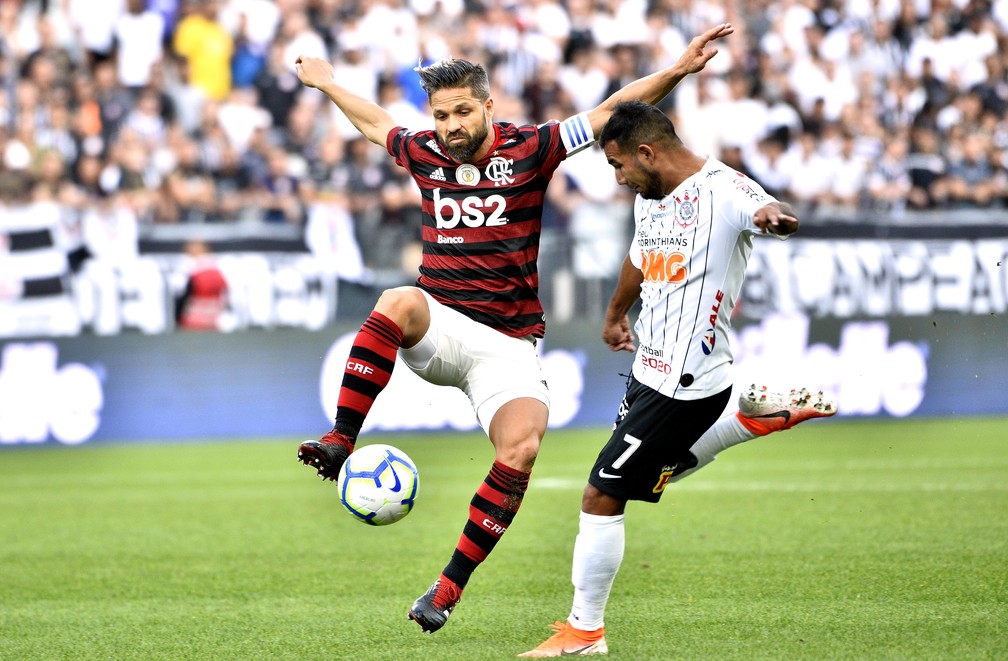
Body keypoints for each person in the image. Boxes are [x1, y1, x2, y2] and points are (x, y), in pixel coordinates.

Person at [292, 24, 736, 634]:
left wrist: (680, 69)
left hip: (507, 345)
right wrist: (329, 84)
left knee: (522, 447)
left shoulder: (534, 146)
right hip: (441, 324)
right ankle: (342, 439)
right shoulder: (422, 151)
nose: (450, 125)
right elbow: (374, 123)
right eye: (441, 114)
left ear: (487, 106)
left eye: (462, 111)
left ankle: (447, 588)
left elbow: (610, 111)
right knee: (398, 300)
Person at [518, 100, 837, 658]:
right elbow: (641, 259)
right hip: (649, 369)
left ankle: (585, 632)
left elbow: (768, 207)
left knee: (601, 493)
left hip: (686, 383)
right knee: (643, 476)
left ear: (646, 152)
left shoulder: (727, 190)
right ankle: (744, 421)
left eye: (618, 165)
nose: (617, 178)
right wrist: (617, 314)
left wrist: (774, 218)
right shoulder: (653, 195)